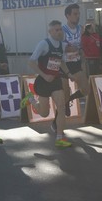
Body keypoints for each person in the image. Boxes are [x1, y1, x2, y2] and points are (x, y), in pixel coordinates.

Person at [20, 20, 72, 148]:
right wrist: (45, 75)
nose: (59, 32)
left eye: (60, 29)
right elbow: (31, 62)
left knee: (61, 106)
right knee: (44, 113)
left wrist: (69, 74)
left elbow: (61, 62)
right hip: (43, 81)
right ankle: (30, 98)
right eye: (56, 30)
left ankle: (60, 137)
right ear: (50, 32)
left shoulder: (62, 45)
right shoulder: (44, 44)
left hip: (56, 80)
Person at [60, 3, 90, 117]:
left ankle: (70, 99)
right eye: (75, 14)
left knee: (86, 89)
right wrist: (67, 48)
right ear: (68, 15)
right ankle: (65, 103)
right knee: (65, 93)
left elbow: (81, 46)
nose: (77, 16)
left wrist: (82, 56)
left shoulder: (81, 29)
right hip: (64, 65)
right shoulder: (62, 30)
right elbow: (58, 49)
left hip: (76, 63)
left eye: (79, 14)